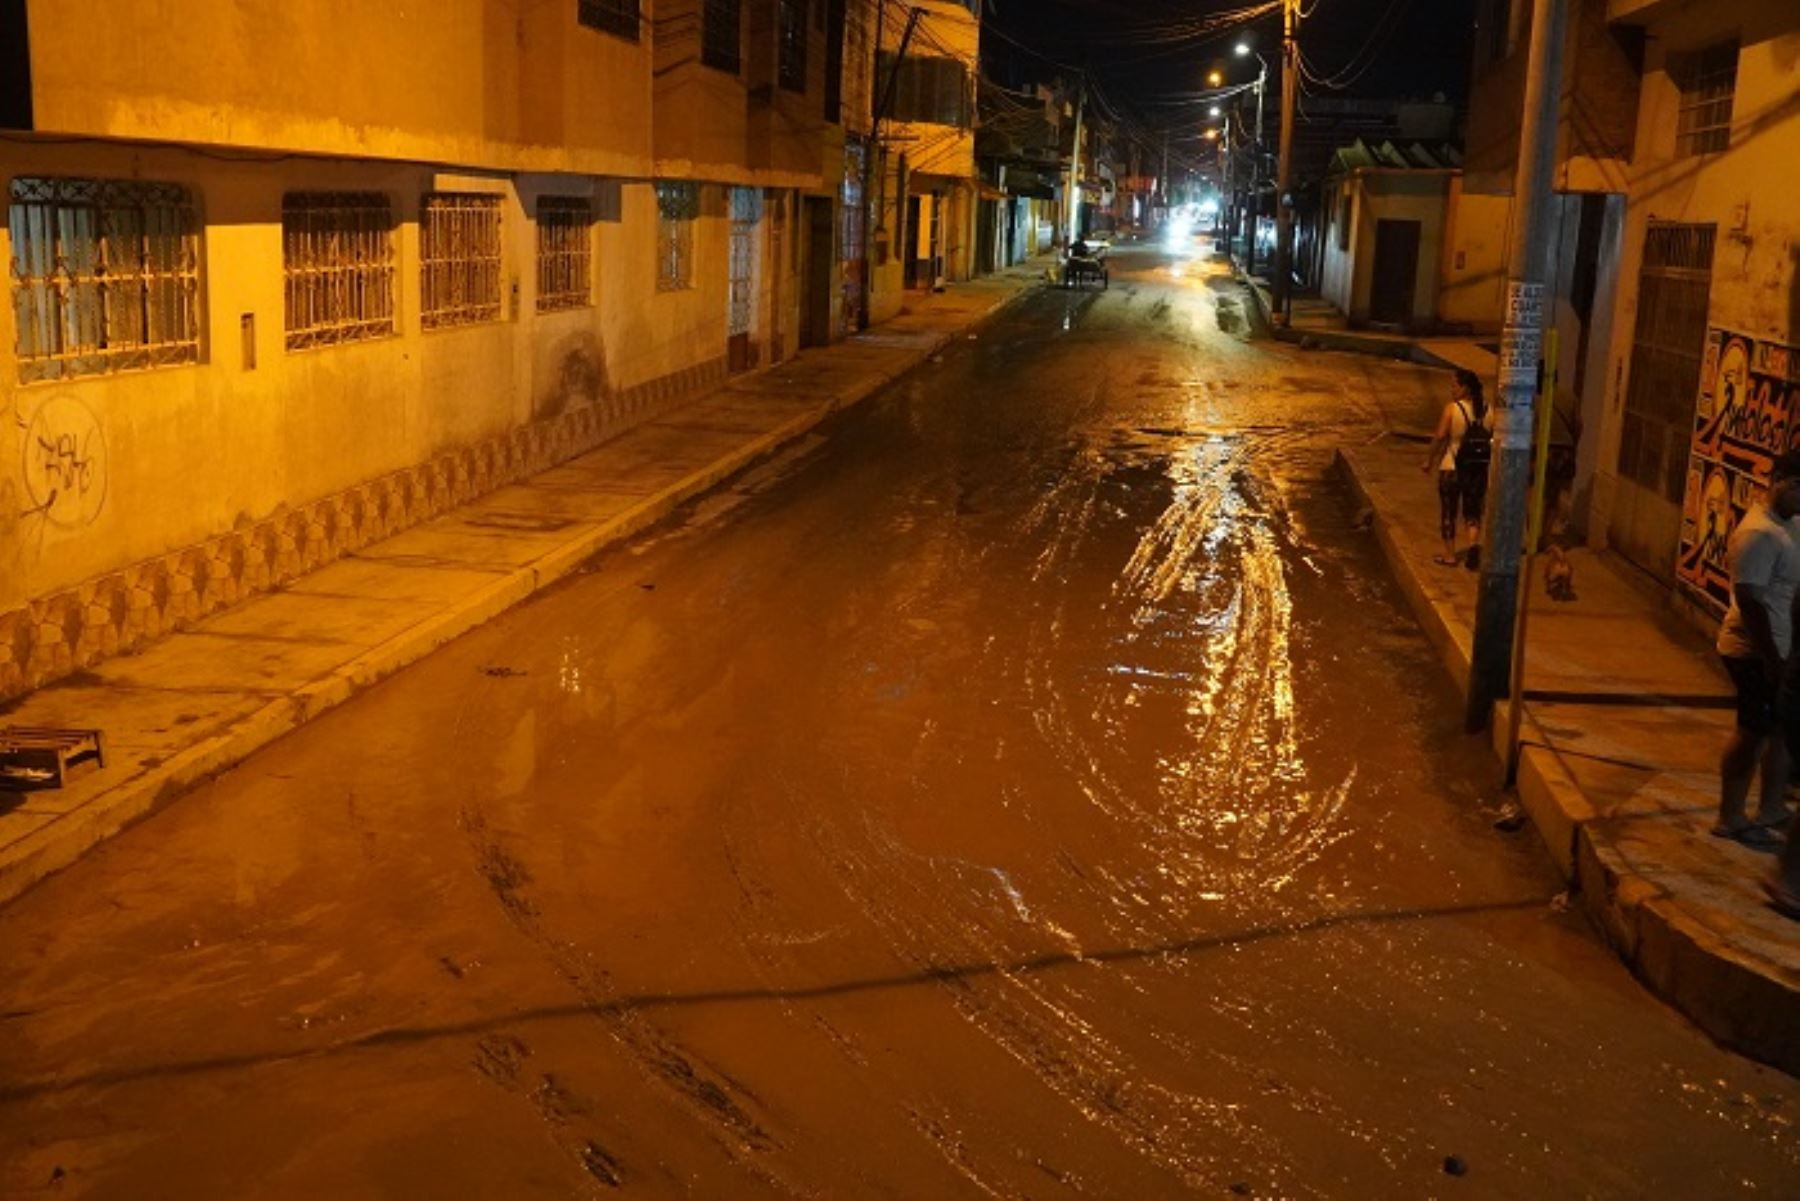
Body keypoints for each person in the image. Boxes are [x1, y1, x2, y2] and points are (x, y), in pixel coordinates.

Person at [1715, 450, 1800, 848]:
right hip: (1751, 650)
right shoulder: (1758, 533)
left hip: (1778, 647)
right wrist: (1771, 658)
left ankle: (1771, 808)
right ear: (1777, 478)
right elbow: (1749, 599)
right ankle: (1729, 815)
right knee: (1752, 732)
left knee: (1778, 730)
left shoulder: (1789, 525)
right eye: (1798, 487)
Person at [1421, 370, 1490, 568]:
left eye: (1454, 386)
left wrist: (1429, 459)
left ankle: (1450, 556)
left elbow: (1441, 436)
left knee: (1448, 513)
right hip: (1477, 469)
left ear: (1465, 388)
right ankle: (1473, 546)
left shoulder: (1452, 409)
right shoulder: (1489, 410)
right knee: (1473, 512)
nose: (1451, 389)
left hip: (1452, 467)